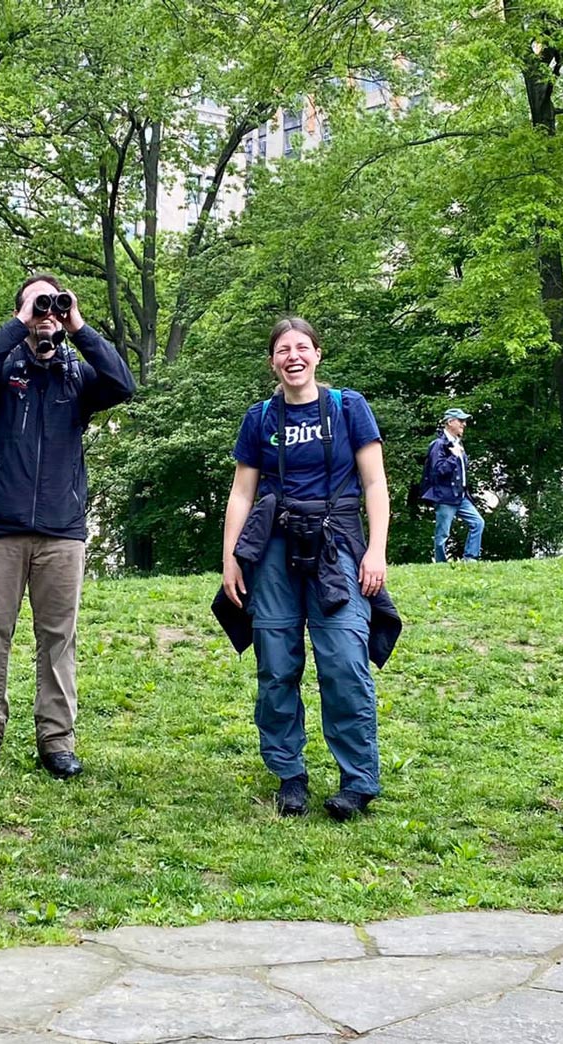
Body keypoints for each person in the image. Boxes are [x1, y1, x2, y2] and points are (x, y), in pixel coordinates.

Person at [0, 273, 136, 778]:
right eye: (38, 304)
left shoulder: (77, 378)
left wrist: (78, 325)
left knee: (59, 637)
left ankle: (57, 740)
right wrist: (21, 321)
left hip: (62, 529)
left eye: (54, 304)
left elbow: (124, 383)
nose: (46, 312)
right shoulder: (1, 371)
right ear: (22, 311)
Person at [218, 317, 396, 821]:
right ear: (272, 361)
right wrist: (231, 557)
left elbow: (376, 484)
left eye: (301, 347)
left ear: (317, 354)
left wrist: (376, 550)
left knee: (343, 661)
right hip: (271, 549)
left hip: (337, 547)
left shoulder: (348, 408)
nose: (292, 356)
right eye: (282, 350)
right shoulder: (260, 419)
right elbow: (241, 492)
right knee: (276, 664)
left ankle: (358, 782)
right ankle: (289, 776)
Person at [419, 408, 483, 562]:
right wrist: (454, 456)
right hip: (445, 497)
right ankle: (440, 563)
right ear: (450, 422)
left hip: (461, 496)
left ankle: (470, 558)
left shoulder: (457, 444)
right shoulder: (439, 445)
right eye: (460, 421)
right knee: (442, 534)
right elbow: (437, 470)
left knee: (478, 523)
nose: (464, 424)